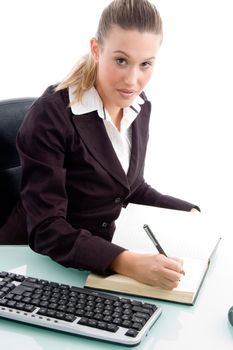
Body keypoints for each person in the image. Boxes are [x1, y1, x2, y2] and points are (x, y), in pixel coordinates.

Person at [1, 0, 199, 290]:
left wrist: (192, 215)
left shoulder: (139, 107)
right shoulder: (51, 116)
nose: (133, 80)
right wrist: (127, 262)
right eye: (121, 60)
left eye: (145, 64)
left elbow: (129, 185)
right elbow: (45, 229)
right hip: (24, 268)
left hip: (90, 264)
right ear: (96, 49)